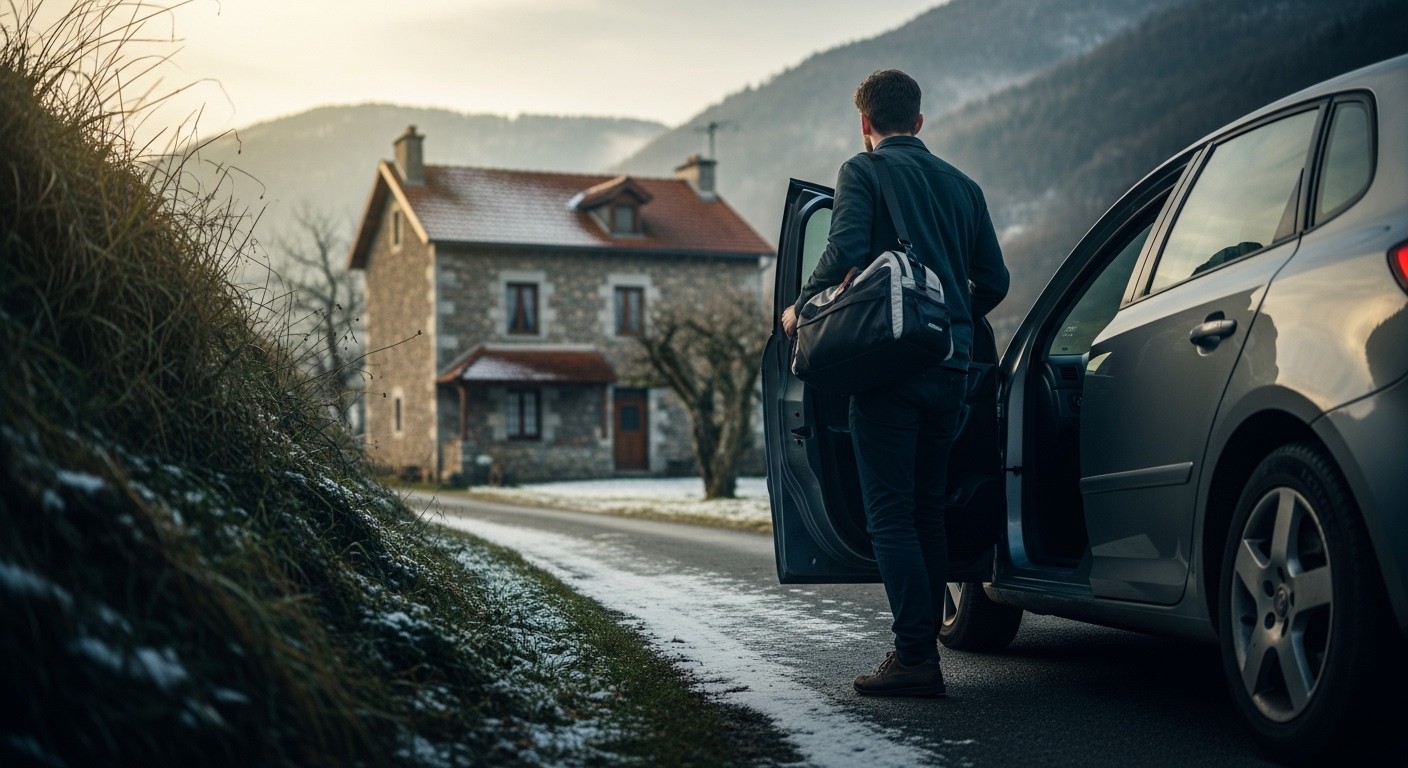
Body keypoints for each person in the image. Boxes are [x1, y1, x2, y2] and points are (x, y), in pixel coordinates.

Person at [781, 69, 1009, 697]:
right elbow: (995, 281)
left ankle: (915, 659)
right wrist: (950, 314)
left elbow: (845, 246)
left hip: (888, 369)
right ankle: (920, 651)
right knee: (926, 510)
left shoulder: (864, 170)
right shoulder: (965, 187)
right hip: (952, 370)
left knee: (889, 513)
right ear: (919, 120)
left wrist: (802, 304)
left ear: (865, 123)